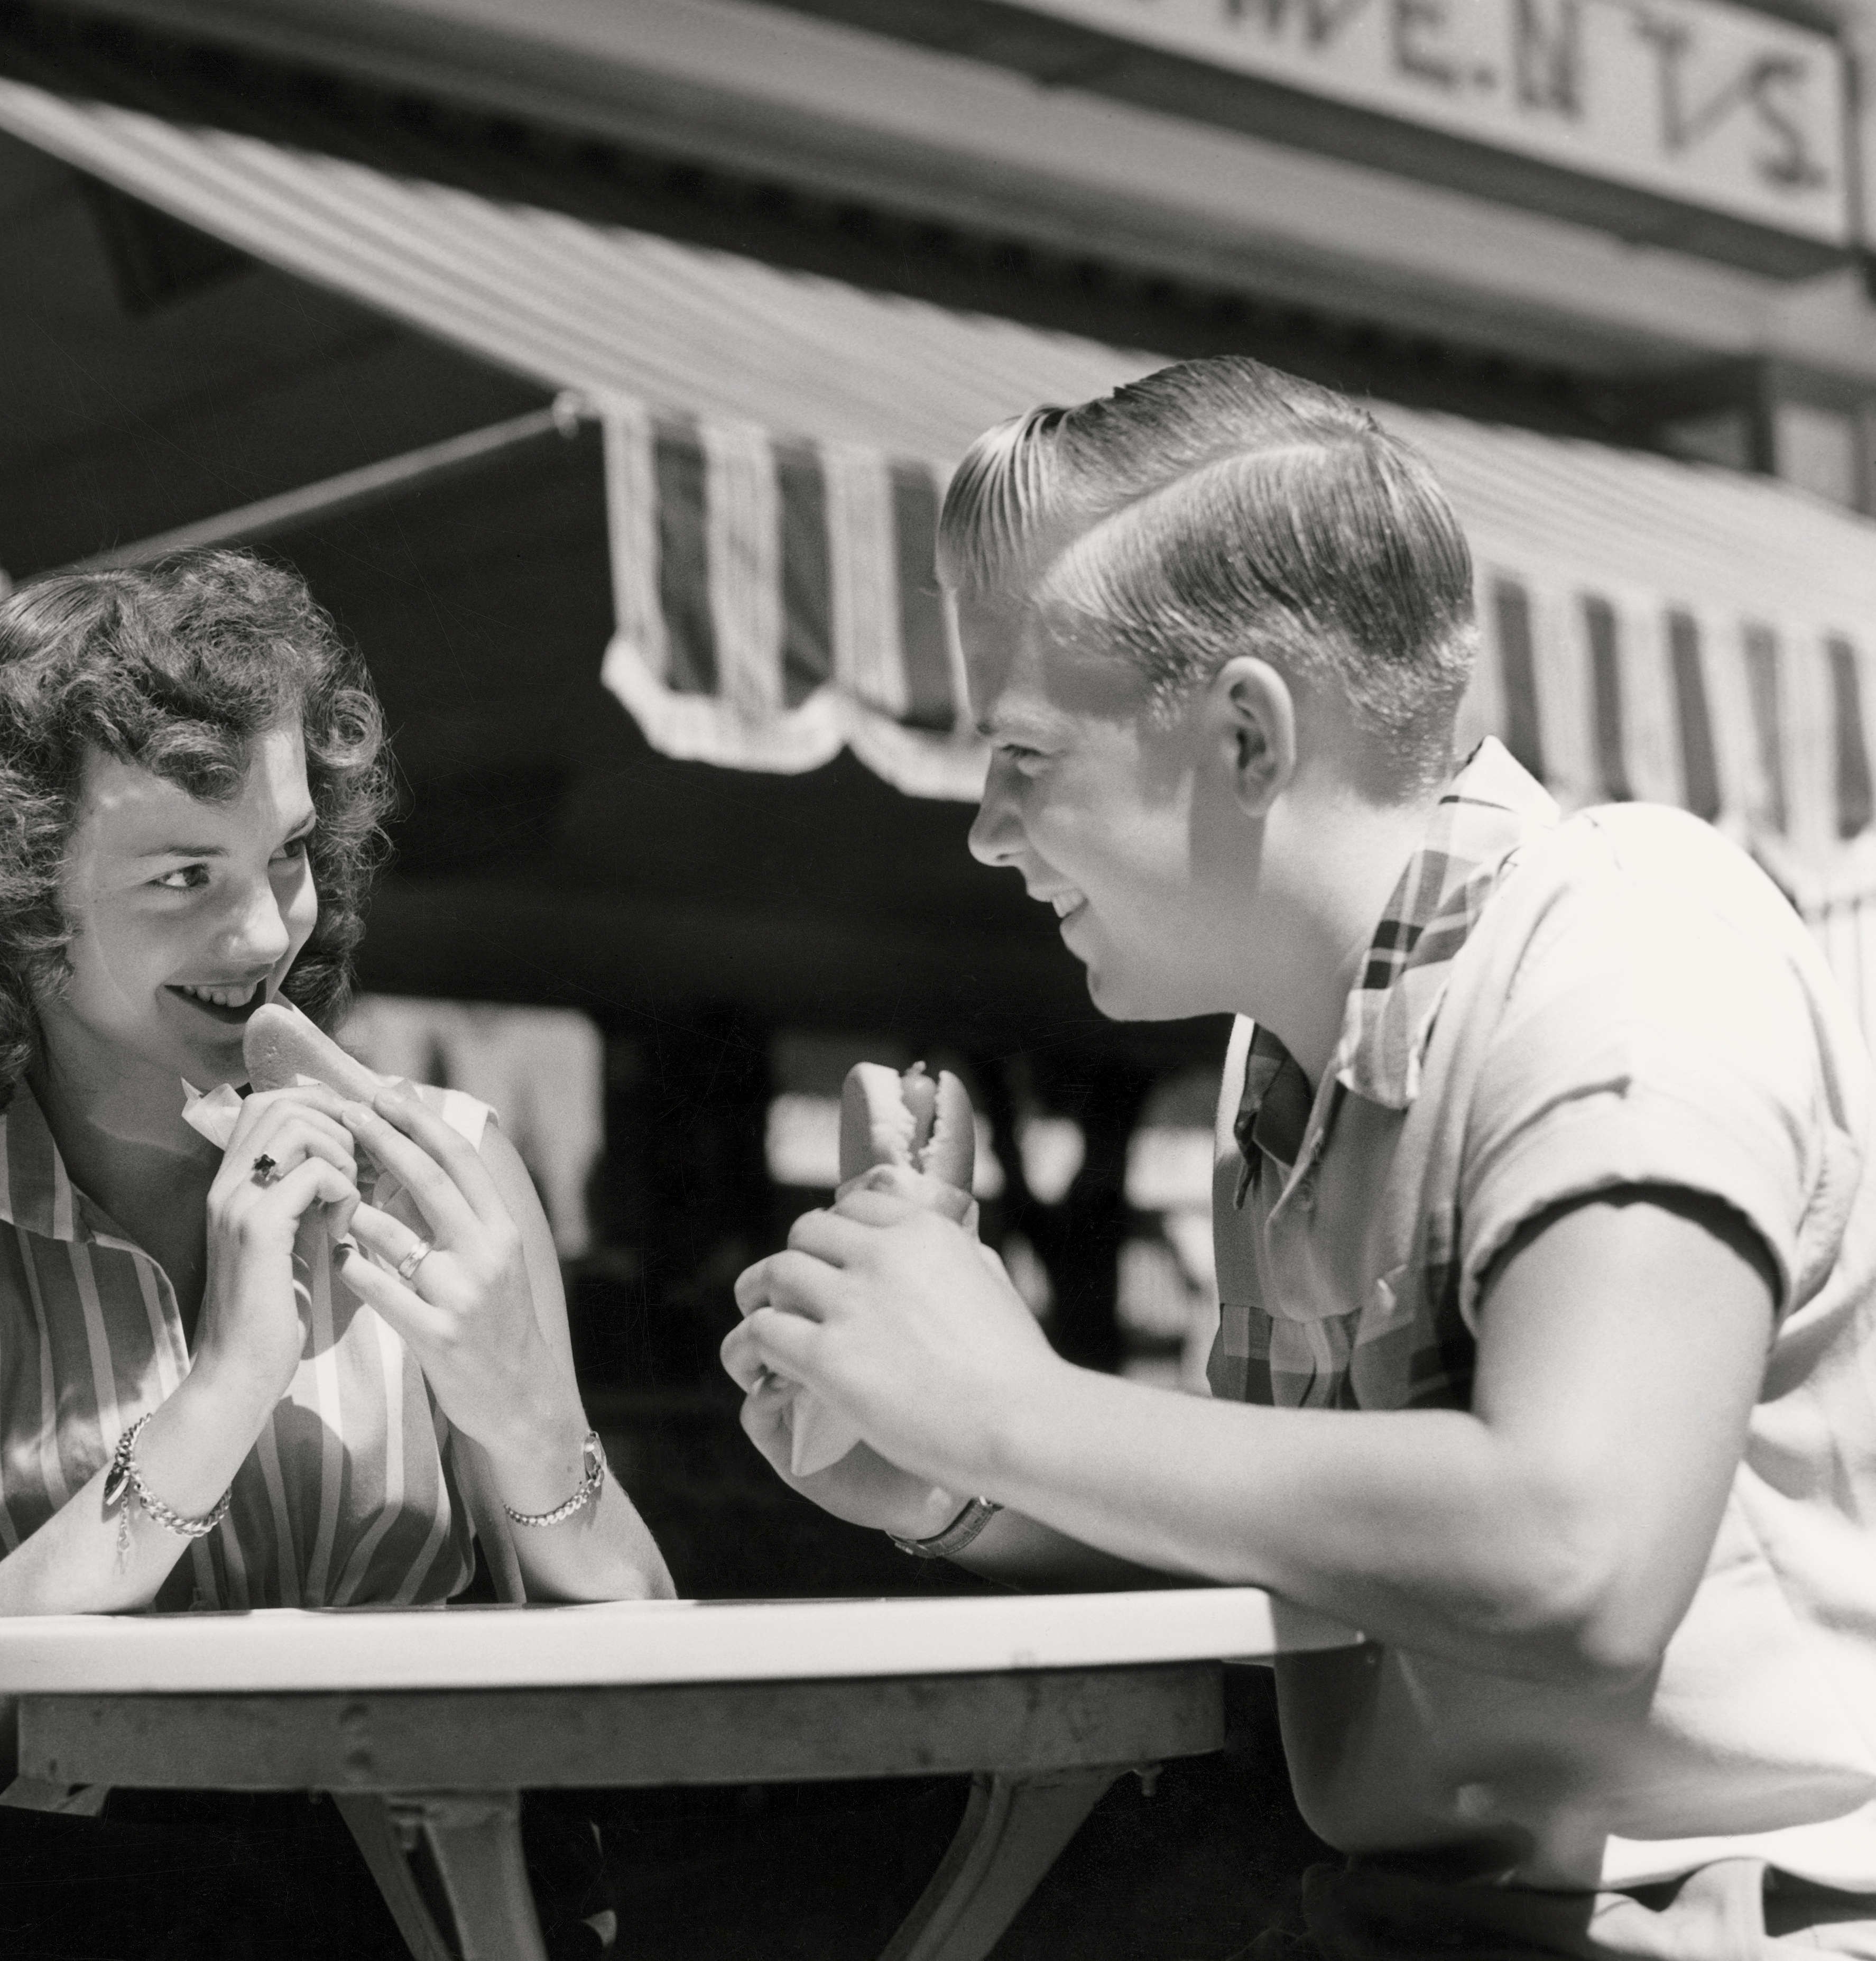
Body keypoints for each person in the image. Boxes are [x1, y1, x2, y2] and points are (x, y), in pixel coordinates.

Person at [725, 357, 1876, 1958]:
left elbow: (1572, 1552)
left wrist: (1014, 1402)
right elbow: (1325, 1555)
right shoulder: (1293, 1065)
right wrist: (954, 1486)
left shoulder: (1628, 940)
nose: (983, 827)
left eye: (1028, 755)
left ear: (1249, 736)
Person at [0, 550, 672, 1960]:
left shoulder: (444, 1167)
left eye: (290, 854)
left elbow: (648, 1678)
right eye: (188, 875)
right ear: (19, 896)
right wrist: (224, 1389)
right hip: (76, 1910)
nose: (266, 932)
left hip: (435, 1890)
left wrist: (533, 1434)